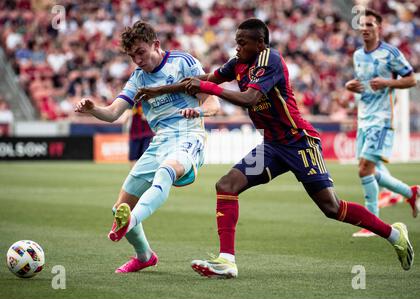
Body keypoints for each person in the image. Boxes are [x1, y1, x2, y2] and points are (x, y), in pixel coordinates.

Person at [137, 18, 414, 278]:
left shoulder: (271, 60)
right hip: (272, 145)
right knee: (226, 185)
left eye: (242, 42)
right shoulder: (238, 63)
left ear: (260, 44)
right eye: (236, 41)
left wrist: (209, 87)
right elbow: (208, 77)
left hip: (298, 141)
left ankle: (394, 234)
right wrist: (159, 90)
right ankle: (227, 261)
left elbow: (248, 98)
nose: (237, 47)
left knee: (331, 207)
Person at [75, 20, 220, 273]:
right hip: (160, 140)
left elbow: (213, 105)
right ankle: (144, 256)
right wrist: (92, 109)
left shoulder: (183, 62)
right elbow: (112, 114)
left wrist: (196, 111)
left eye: (140, 52)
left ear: (156, 44)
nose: (138, 60)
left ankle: (130, 222)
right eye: (132, 56)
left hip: (189, 134)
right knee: (119, 207)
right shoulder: (137, 79)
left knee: (165, 172)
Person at [345, 9, 418, 238]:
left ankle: (372, 223)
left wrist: (388, 82)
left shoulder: (390, 53)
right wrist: (350, 86)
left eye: (370, 24)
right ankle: (411, 192)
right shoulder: (357, 55)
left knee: (364, 169)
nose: (365, 28)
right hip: (364, 118)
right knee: (370, 172)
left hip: (382, 119)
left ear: (379, 28)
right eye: (362, 24)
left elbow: (411, 79)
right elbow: (361, 83)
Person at [126, 101, 154, 167]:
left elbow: (146, 117)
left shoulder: (150, 100)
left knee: (146, 156)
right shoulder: (133, 100)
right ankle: (135, 176)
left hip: (147, 133)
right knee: (133, 158)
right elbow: (127, 113)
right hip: (134, 133)